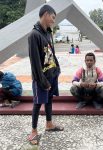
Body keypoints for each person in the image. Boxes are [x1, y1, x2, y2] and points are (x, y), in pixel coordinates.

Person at [28, 5, 63, 145]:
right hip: (41, 78)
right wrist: (43, 82)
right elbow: (35, 62)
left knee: (49, 100)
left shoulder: (48, 32)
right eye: (53, 17)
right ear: (46, 14)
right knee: (38, 103)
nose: (53, 21)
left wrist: (57, 69)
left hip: (52, 74)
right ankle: (34, 131)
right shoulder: (33, 35)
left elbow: (51, 53)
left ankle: (49, 124)